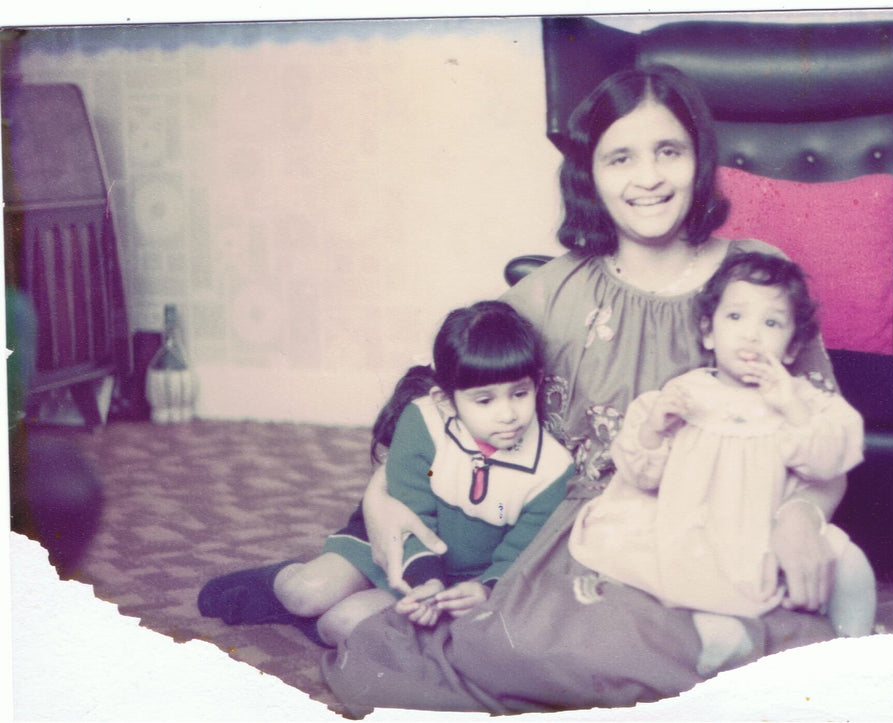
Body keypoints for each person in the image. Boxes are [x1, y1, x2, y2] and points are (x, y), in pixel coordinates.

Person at [320, 64, 854, 715]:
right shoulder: (555, 291)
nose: (649, 177)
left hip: (724, 532)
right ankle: (411, 626)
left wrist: (800, 516)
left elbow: (823, 435)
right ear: (590, 175)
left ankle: (398, 624)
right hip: (584, 544)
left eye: (669, 151)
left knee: (795, 663)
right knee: (542, 653)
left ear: (700, 158)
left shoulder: (758, 284)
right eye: (620, 157)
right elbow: (440, 398)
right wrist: (380, 499)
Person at [567, 250, 876, 675]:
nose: (751, 335)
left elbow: (827, 462)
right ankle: (720, 628)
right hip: (694, 523)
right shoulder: (685, 393)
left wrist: (790, 405)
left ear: (792, 347)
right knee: (677, 568)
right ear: (708, 334)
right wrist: (654, 428)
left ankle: (855, 645)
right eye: (735, 317)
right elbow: (641, 474)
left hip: (763, 527)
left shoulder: (802, 398)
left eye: (771, 323)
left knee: (851, 562)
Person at [198, 300, 574, 646]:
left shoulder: (552, 470)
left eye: (519, 394)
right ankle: (276, 586)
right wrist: (424, 578)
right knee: (306, 592)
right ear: (447, 400)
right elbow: (408, 507)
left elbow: (520, 552)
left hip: (460, 581)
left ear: (536, 383)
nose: (508, 414)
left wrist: (485, 589)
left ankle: (304, 621)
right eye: (485, 400)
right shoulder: (423, 419)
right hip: (395, 544)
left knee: (341, 624)